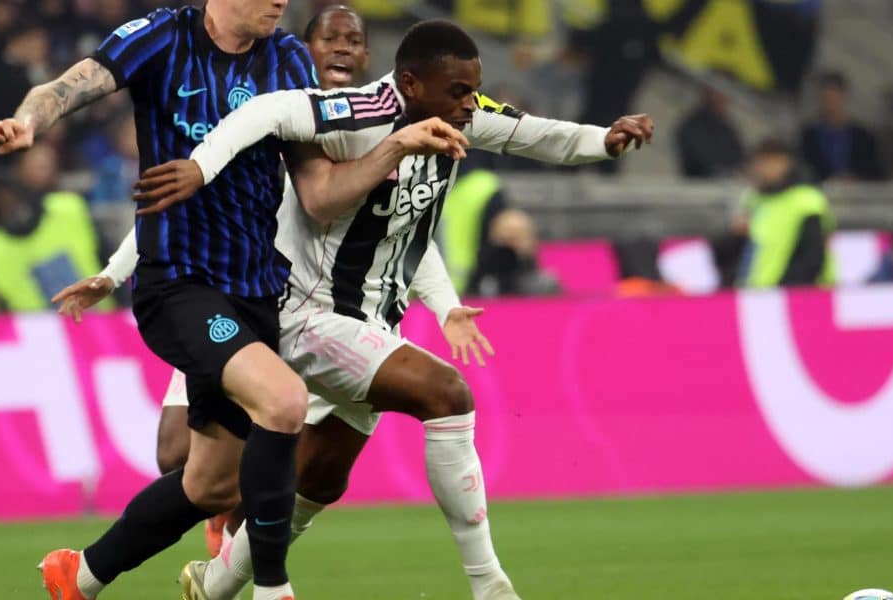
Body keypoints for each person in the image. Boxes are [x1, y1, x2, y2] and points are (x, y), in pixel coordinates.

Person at [129, 19, 652, 599]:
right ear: (411, 82)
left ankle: (215, 584)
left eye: (471, 90)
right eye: (456, 91)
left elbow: (536, 134)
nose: (468, 104)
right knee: (446, 394)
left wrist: (604, 140)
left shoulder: (464, 116)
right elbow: (268, 112)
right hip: (309, 314)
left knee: (320, 481)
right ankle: (491, 586)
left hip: (372, 324)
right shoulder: (360, 110)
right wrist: (201, 164)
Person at [0, 2, 449, 599]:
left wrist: (392, 150)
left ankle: (80, 575)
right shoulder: (162, 37)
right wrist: (28, 122)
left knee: (210, 484)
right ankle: (272, 590)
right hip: (178, 283)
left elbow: (318, 192)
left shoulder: (287, 59)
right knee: (283, 402)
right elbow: (70, 85)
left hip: (254, 289)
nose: (279, 1)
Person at [0, 166, 113, 314]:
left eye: (11, 198)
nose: (12, 208)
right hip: (42, 333)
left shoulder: (68, 208)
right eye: (0, 205)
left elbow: (109, 258)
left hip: (105, 323)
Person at [737, 139, 836, 288]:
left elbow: (812, 256)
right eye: (759, 163)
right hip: (761, 294)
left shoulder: (806, 200)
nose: (762, 169)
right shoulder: (756, 201)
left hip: (801, 296)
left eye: (769, 162)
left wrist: (787, 291)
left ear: (786, 162)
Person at [800, 71, 885, 181]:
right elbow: (805, 168)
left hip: (858, 194)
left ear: (844, 97)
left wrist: (855, 179)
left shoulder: (864, 136)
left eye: (834, 98)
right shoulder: (809, 135)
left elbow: (876, 172)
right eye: (826, 99)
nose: (831, 103)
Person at [675, 82, 744, 178]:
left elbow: (739, 156)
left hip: (725, 182)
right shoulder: (693, 125)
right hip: (703, 183)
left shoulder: (726, 126)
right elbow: (700, 160)